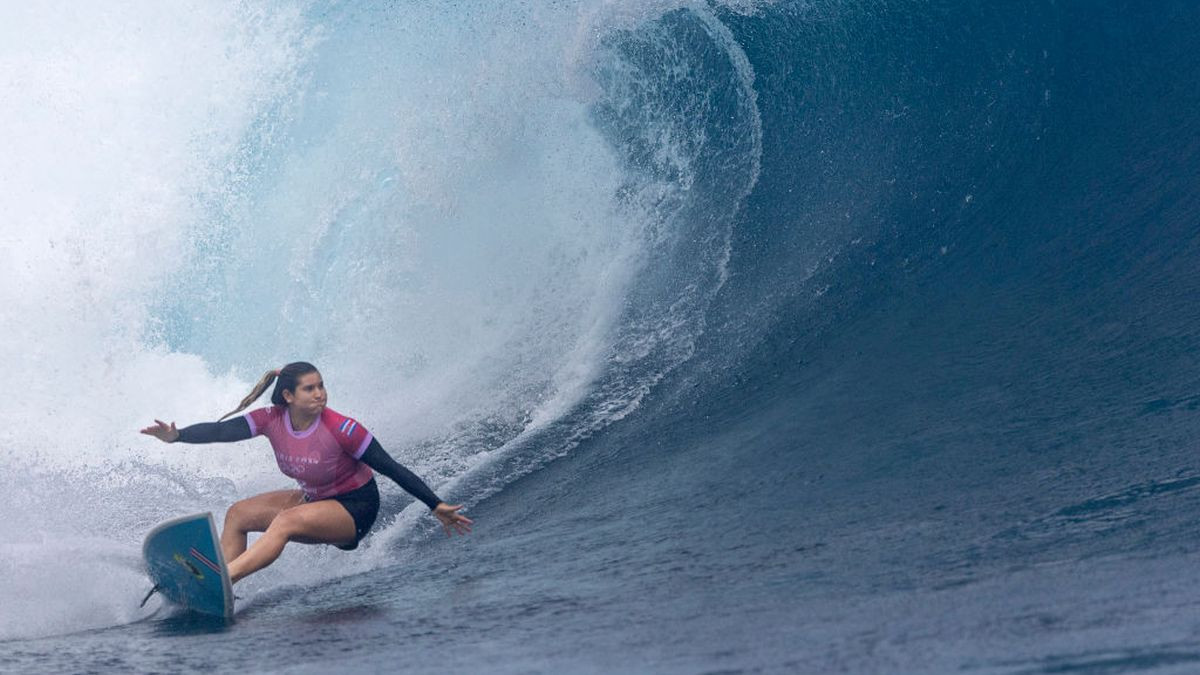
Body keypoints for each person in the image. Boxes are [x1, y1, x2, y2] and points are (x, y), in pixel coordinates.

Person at [140, 361, 472, 584]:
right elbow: (220, 431)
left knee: (283, 522)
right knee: (239, 513)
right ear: (289, 396)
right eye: (310, 389)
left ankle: (221, 579)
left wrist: (435, 504)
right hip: (315, 498)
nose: (320, 394)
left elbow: (392, 468)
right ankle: (220, 584)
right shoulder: (272, 419)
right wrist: (177, 435)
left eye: (321, 386)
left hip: (355, 509)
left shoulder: (343, 428)